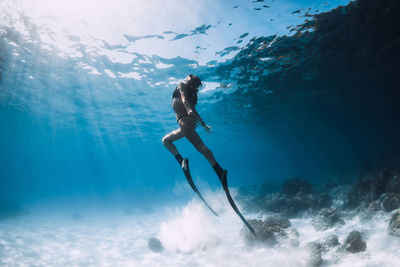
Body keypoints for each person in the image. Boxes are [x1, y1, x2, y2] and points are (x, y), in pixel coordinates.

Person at [162, 74, 227, 185]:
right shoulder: (192, 94)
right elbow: (193, 109)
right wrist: (204, 125)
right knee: (165, 141)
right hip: (187, 123)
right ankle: (182, 161)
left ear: (190, 80)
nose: (185, 77)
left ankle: (219, 171)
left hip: (184, 121)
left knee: (201, 147)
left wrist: (188, 110)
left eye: (187, 76)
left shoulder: (182, 85)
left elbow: (184, 99)